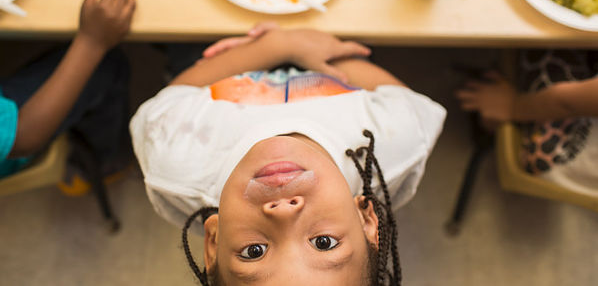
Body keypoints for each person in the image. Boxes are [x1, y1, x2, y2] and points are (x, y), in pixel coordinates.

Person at [131, 24, 446, 285]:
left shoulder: (177, 161)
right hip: (335, 36)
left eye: (254, 251)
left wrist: (274, 46)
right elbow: (404, 100)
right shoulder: (394, 144)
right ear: (366, 220)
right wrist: (311, 39)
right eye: (323, 243)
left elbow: (174, 97)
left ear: (213, 242)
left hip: (224, 47)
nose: (283, 211)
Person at [0, 0, 135, 190]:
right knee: (107, 65)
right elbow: (22, 137)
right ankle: (104, 164)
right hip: (5, 143)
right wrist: (92, 42)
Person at [456, 49, 598, 199]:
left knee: (547, 47)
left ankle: (491, 124)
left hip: (577, 149)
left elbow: (566, 103)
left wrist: (513, 106)